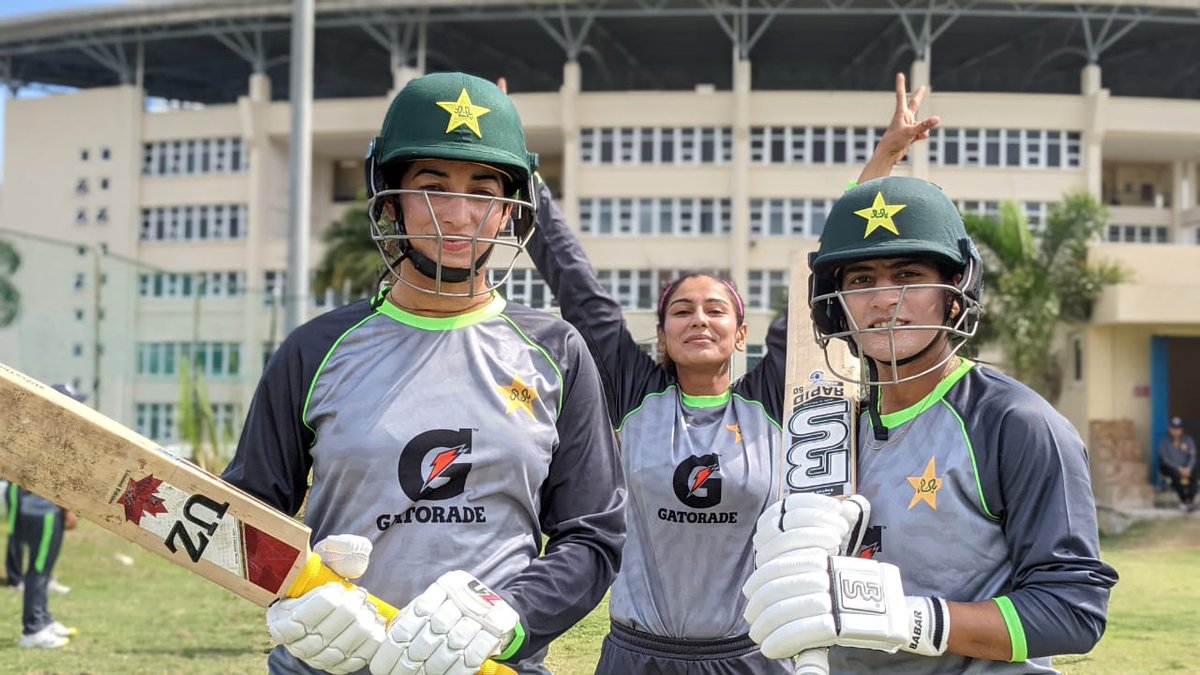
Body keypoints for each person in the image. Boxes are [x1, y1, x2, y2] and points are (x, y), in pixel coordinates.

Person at [524, 73, 936, 675]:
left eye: (716, 310)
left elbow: (822, 272)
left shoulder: (770, 400)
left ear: (741, 335)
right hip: (638, 656)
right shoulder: (636, 396)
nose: (699, 320)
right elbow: (576, 284)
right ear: (662, 334)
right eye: (681, 311)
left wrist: (883, 161)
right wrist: (516, 170)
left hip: (749, 657)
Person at [221, 72, 625, 675]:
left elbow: (592, 536)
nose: (458, 216)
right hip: (333, 664)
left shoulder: (557, 351)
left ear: (509, 211)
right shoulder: (316, 348)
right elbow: (244, 517)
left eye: (483, 192)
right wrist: (297, 593)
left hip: (488, 667)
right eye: (433, 188)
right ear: (391, 200)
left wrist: (509, 617)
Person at [741, 176, 1120, 673]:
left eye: (908, 275)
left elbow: (1072, 611)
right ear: (837, 305)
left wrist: (912, 619)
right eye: (861, 281)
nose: (884, 300)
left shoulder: (1015, 423)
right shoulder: (826, 427)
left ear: (955, 293)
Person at [11, 384, 82, 649]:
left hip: (42, 511)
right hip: (43, 512)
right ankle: (33, 630)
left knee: (44, 571)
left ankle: (43, 619)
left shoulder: (38, 431)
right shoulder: (48, 436)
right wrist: (68, 510)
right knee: (39, 571)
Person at [1159, 416, 1197, 512]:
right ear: (1170, 429)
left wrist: (1188, 468)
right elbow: (1166, 459)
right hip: (1172, 468)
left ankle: (1190, 500)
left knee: (1195, 473)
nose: (1176, 431)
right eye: (1174, 429)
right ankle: (1184, 500)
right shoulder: (1164, 443)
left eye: (1178, 429)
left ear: (1182, 429)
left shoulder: (1188, 440)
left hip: (1186, 468)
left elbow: (1192, 456)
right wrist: (1179, 468)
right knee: (1175, 475)